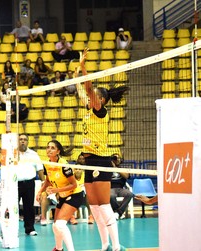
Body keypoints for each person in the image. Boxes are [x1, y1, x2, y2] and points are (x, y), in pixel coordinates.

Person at [76, 48, 129, 251]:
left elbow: (88, 89)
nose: (90, 98)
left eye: (94, 97)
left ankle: (116, 247)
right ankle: (105, 244)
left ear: (101, 101)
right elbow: (83, 91)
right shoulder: (89, 110)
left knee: (104, 205)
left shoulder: (100, 111)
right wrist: (75, 77)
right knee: (95, 207)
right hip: (89, 161)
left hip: (101, 160)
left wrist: (83, 68)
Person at [36, 140, 81, 251]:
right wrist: (40, 191)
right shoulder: (47, 164)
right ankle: (59, 248)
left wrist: (57, 190)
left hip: (75, 194)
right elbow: (48, 180)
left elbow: (74, 184)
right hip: (63, 196)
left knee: (60, 225)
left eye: (52, 148)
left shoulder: (63, 165)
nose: (49, 150)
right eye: (48, 147)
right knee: (55, 226)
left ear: (58, 151)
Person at [17, 134, 44, 236]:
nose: (23, 141)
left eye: (25, 140)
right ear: (17, 141)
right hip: (15, 184)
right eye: (20, 139)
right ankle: (12, 229)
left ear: (28, 142)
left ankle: (30, 229)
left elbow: (40, 169)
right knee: (13, 207)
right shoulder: (13, 153)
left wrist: (43, 182)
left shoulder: (33, 154)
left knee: (29, 207)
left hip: (29, 183)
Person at [110, 154, 133, 220]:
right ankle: (119, 213)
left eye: (119, 158)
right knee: (111, 196)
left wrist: (115, 168)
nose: (117, 159)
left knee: (129, 194)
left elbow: (126, 176)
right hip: (110, 188)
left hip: (120, 188)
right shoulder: (107, 169)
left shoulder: (123, 169)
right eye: (115, 158)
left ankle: (117, 213)